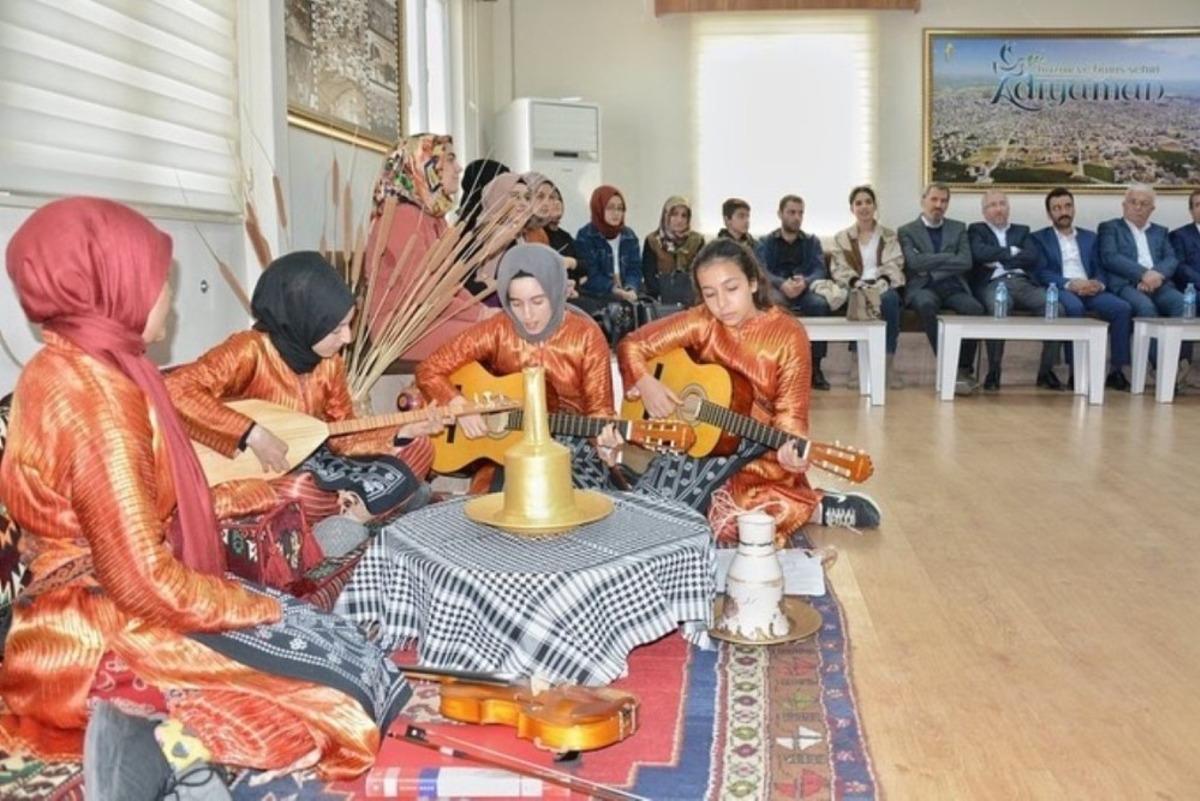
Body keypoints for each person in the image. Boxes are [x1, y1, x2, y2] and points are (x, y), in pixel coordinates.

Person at [0, 198, 410, 798]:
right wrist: (260, 609)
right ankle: (145, 747)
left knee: (331, 644)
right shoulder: (97, 403)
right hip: (92, 633)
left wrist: (249, 495)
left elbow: (144, 514)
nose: (168, 297)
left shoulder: (74, 364)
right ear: (110, 289)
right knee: (339, 704)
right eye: (157, 281)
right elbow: (144, 580)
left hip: (110, 593)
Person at [617, 239, 881, 547]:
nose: (721, 304)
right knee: (661, 516)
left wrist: (792, 453)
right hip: (700, 442)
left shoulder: (787, 334)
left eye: (732, 289)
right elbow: (632, 344)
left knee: (731, 521)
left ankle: (816, 506)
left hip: (761, 451)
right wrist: (647, 384)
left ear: (753, 282)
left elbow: (791, 414)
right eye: (710, 293)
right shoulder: (702, 320)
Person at [167, 252, 444, 528]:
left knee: (421, 448)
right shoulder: (250, 350)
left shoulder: (329, 363)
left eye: (349, 325)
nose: (347, 338)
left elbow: (343, 436)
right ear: (304, 319)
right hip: (269, 473)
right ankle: (375, 504)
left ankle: (353, 515)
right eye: (336, 329)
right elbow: (175, 389)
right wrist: (251, 432)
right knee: (297, 494)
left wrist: (402, 434)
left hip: (320, 460)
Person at [416, 243, 622, 493]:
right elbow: (430, 369)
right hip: (507, 447)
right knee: (491, 504)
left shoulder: (586, 335)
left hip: (572, 444)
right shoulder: (499, 328)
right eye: (516, 303)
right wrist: (460, 405)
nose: (527, 315)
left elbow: (601, 411)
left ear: (556, 292)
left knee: (564, 500)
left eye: (537, 301)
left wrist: (604, 441)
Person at [1032, 187, 1133, 390]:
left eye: (1067, 206)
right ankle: (1075, 371)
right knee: (1074, 308)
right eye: (1057, 208)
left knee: (1122, 308)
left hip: (1091, 288)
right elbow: (1041, 272)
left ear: (1074, 208)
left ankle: (1116, 370)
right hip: (1062, 288)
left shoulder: (1090, 237)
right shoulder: (1039, 238)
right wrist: (1070, 283)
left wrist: (1098, 284)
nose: (1063, 212)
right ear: (1049, 213)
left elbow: (1101, 268)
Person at [967, 190, 1063, 391]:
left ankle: (1046, 372)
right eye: (993, 205)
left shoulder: (1022, 231)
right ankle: (993, 371)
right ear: (984, 212)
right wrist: (1012, 251)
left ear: (1008, 208)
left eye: (1002, 204)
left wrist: (998, 259)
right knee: (998, 309)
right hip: (994, 284)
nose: (998, 209)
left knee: (1056, 308)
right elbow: (979, 253)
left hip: (1023, 283)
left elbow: (1032, 257)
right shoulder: (976, 230)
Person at [898, 182, 983, 395]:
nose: (939, 205)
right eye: (934, 200)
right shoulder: (906, 231)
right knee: (926, 304)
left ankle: (963, 368)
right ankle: (949, 367)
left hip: (953, 286)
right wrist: (948, 257)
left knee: (974, 309)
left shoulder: (958, 227)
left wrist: (932, 267)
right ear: (923, 201)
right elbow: (914, 263)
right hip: (922, 287)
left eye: (944, 201)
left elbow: (965, 262)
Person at [1098, 184, 1191, 373]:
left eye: (1144, 204)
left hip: (1159, 284)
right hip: (1126, 285)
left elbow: (1171, 259)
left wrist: (1156, 275)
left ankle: (1181, 361)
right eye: (1133, 202)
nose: (1138, 208)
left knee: (1182, 303)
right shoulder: (1110, 227)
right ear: (1124, 205)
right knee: (1145, 307)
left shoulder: (1160, 231)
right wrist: (1143, 274)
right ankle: (1161, 366)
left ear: (1152, 209)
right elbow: (1110, 257)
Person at [829, 185, 906, 389]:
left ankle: (888, 365)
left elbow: (895, 263)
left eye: (868, 202)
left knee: (890, 300)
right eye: (858, 203)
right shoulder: (842, 238)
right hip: (855, 284)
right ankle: (857, 365)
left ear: (875, 206)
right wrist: (856, 282)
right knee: (858, 300)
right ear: (852, 209)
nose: (864, 207)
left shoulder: (889, 235)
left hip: (883, 285)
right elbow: (838, 267)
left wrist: (883, 282)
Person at [756, 195, 833, 390]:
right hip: (778, 289)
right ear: (780, 214)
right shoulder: (766, 242)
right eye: (791, 212)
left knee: (819, 305)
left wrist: (805, 282)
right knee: (775, 306)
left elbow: (819, 270)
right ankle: (777, 368)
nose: (796, 217)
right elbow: (761, 270)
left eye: (800, 213)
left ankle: (815, 367)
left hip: (804, 289)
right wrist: (781, 284)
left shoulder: (811, 241)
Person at [574, 185, 643, 336]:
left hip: (626, 296)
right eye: (610, 208)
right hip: (596, 296)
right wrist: (614, 289)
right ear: (598, 208)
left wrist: (631, 288)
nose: (616, 213)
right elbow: (589, 273)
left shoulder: (629, 235)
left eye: (620, 208)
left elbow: (635, 268)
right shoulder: (585, 236)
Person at [642, 195, 705, 307]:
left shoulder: (697, 241)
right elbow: (649, 277)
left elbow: (701, 273)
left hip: (691, 301)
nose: (679, 220)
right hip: (660, 302)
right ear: (666, 216)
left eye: (684, 216)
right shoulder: (653, 241)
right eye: (674, 214)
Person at [543, 182, 586, 296]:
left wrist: (571, 262)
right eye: (551, 199)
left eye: (559, 199)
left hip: (573, 292)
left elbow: (584, 266)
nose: (557, 203)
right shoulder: (539, 234)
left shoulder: (565, 236)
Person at [1169, 189, 1200, 291]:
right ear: (1191, 211)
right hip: (1194, 289)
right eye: (1198, 205)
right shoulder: (1179, 235)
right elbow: (1180, 267)